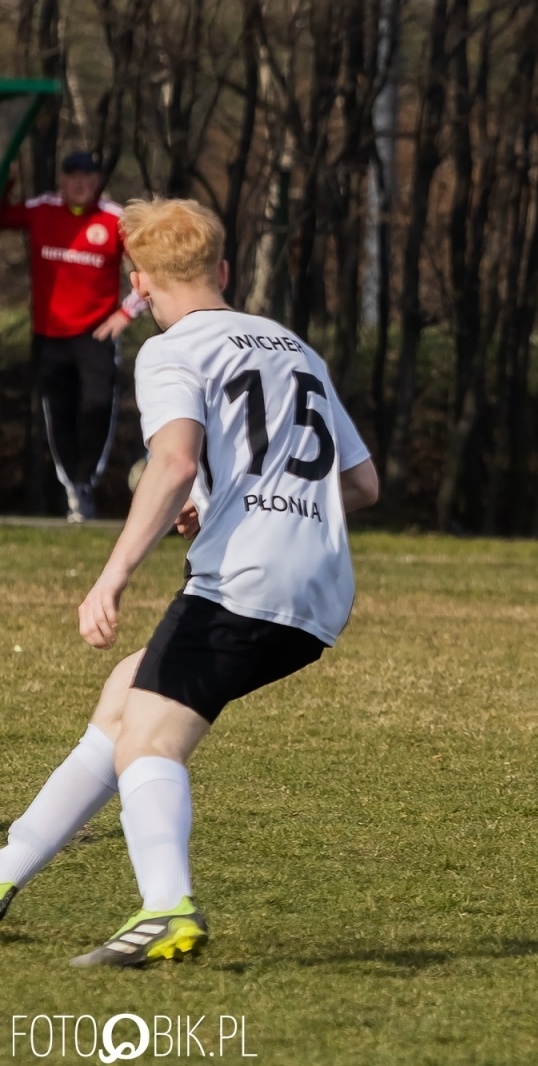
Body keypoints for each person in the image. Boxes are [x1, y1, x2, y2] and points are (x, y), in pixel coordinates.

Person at [0, 197, 379, 967]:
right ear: (224, 271)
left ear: (137, 284)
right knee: (124, 698)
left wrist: (112, 575)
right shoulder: (295, 346)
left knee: (149, 739)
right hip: (320, 588)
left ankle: (166, 909)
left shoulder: (172, 351)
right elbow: (363, 482)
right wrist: (226, 505)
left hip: (245, 580)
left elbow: (173, 462)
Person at [1, 152, 147, 521]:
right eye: (72, 175)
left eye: (87, 176)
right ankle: (73, 490)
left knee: (96, 407)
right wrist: (8, 179)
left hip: (96, 335)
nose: (79, 183)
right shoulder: (41, 209)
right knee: (58, 411)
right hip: (49, 335)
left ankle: (87, 481)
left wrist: (126, 312)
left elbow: (152, 269)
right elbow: (3, 216)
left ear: (97, 181)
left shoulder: (114, 219)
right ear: (61, 180)